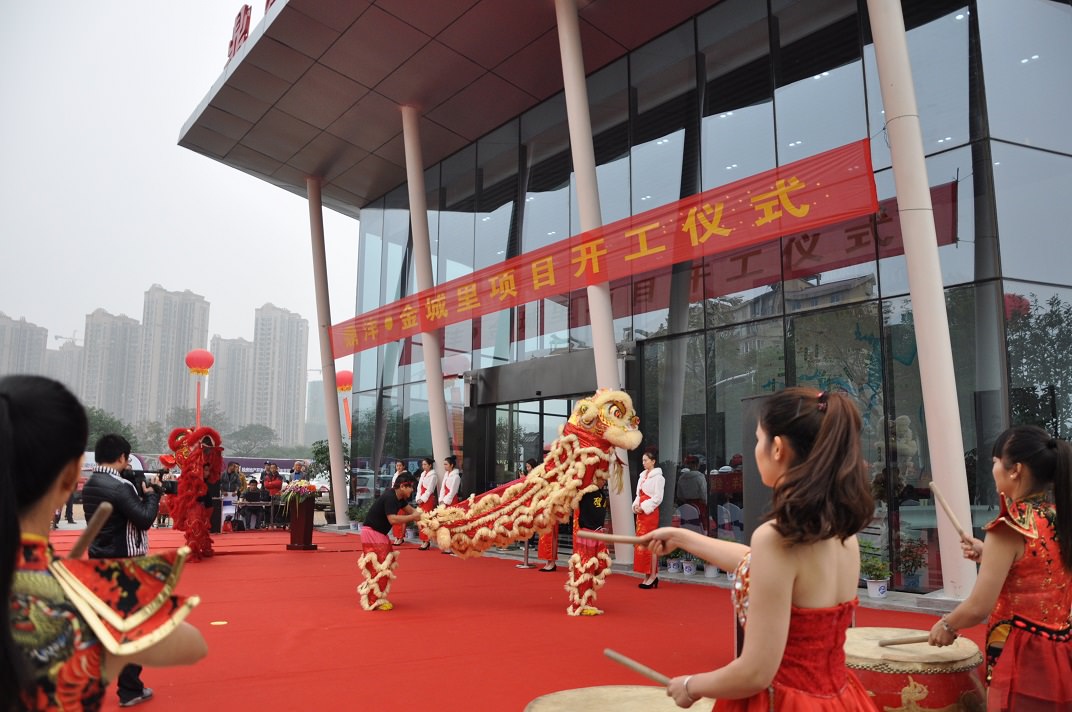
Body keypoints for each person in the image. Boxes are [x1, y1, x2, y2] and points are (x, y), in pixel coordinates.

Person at [643, 388, 877, 709]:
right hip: (838, 699)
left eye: (758, 439)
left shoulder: (777, 538)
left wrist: (690, 685)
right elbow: (762, 565)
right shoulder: (842, 534)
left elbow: (755, 672)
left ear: (777, 448)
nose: (755, 449)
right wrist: (682, 538)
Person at [2, 375, 207, 711]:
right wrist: (152, 494)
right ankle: (130, 689)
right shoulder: (64, 594)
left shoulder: (97, 483)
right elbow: (193, 645)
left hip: (98, 554)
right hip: (118, 562)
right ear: (69, 477)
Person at [928, 425, 1072, 710]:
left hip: (1021, 654)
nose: (993, 469)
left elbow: (978, 607)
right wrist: (988, 555)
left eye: (995, 462)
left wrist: (947, 625)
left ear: (1015, 470)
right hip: (1061, 648)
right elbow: (1041, 568)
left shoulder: (1008, 527)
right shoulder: (1058, 516)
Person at [81, 434, 163, 708]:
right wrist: (153, 494)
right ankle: (130, 690)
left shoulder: (91, 483)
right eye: (127, 459)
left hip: (99, 561)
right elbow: (144, 519)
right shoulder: (120, 486)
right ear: (121, 457)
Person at [356, 472, 423, 611]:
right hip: (372, 534)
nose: (412, 490)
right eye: (411, 487)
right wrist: (414, 517)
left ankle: (373, 596)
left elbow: (413, 512)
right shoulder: (391, 497)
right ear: (403, 486)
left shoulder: (400, 498)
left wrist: (427, 519)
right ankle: (373, 601)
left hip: (378, 534)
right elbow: (392, 519)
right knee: (381, 568)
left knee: (385, 566)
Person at [567, 485, 611, 616]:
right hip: (587, 535)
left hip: (598, 535)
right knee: (584, 569)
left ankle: (588, 601)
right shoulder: (584, 491)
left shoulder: (601, 492)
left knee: (598, 569)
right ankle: (580, 603)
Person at [633, 448, 664, 589]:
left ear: (653, 461)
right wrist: (636, 506)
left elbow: (658, 498)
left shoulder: (659, 478)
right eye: (643, 460)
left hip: (650, 514)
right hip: (641, 514)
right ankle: (646, 574)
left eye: (646, 460)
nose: (643, 463)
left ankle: (653, 575)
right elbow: (638, 495)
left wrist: (644, 506)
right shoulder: (642, 476)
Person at [676, 455, 708, 535]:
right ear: (697, 464)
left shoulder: (682, 477)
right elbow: (703, 493)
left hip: (686, 505)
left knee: (687, 526)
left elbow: (679, 495)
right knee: (700, 527)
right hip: (699, 505)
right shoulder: (700, 477)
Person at [414, 457, 438, 550]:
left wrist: (423, 499)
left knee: (426, 520)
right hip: (421, 499)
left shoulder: (433, 475)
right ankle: (423, 540)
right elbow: (419, 488)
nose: (423, 466)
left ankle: (427, 540)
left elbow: (430, 490)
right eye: (422, 464)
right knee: (420, 520)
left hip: (428, 499)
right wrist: (418, 498)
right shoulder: (423, 474)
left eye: (425, 464)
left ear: (430, 465)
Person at [438, 456, 461, 554]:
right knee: (445, 524)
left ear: (451, 465)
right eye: (444, 464)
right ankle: (446, 545)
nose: (444, 466)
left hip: (451, 501)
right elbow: (443, 489)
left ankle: (452, 546)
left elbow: (453, 491)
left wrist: (445, 501)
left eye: (446, 464)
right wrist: (441, 500)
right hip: (445, 501)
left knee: (451, 524)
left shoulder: (456, 477)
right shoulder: (446, 475)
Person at [389, 461, 411, 545]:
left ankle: (401, 537)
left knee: (401, 517)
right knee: (395, 517)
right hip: (395, 497)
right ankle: (396, 536)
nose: (398, 467)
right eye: (397, 465)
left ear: (403, 466)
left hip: (402, 497)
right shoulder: (395, 475)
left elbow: (406, 488)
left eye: (400, 466)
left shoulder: (406, 475)